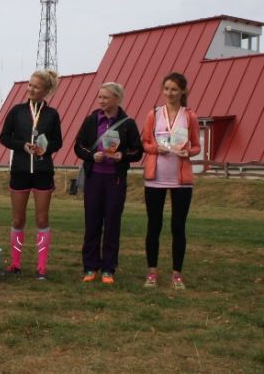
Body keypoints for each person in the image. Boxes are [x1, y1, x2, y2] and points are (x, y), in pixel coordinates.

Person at [73, 82, 142, 284]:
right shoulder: (91, 120)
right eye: (100, 97)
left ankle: (108, 269)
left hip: (115, 179)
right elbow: (78, 146)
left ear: (117, 99)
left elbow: (137, 151)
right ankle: (90, 267)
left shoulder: (128, 124)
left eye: (105, 97)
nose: (101, 101)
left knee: (112, 223)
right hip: (94, 177)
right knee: (92, 222)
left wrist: (123, 156)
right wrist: (92, 155)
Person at [0, 70, 63, 279]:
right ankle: (15, 264)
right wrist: (22, 146)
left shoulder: (52, 114)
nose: (31, 89)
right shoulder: (17, 111)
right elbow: (4, 137)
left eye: (36, 87)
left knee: (42, 219)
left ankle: (41, 266)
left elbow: (58, 142)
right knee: (18, 219)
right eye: (30, 85)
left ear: (46, 91)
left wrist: (46, 148)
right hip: (20, 170)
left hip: (43, 172)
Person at [141, 72, 201, 290]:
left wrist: (188, 152)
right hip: (155, 178)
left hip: (181, 180)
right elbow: (145, 143)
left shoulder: (190, 116)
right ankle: (152, 273)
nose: (170, 93)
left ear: (182, 91)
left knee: (178, 227)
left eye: (174, 89)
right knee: (154, 226)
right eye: (166, 89)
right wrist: (155, 148)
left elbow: (196, 146)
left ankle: (177, 275)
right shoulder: (154, 114)